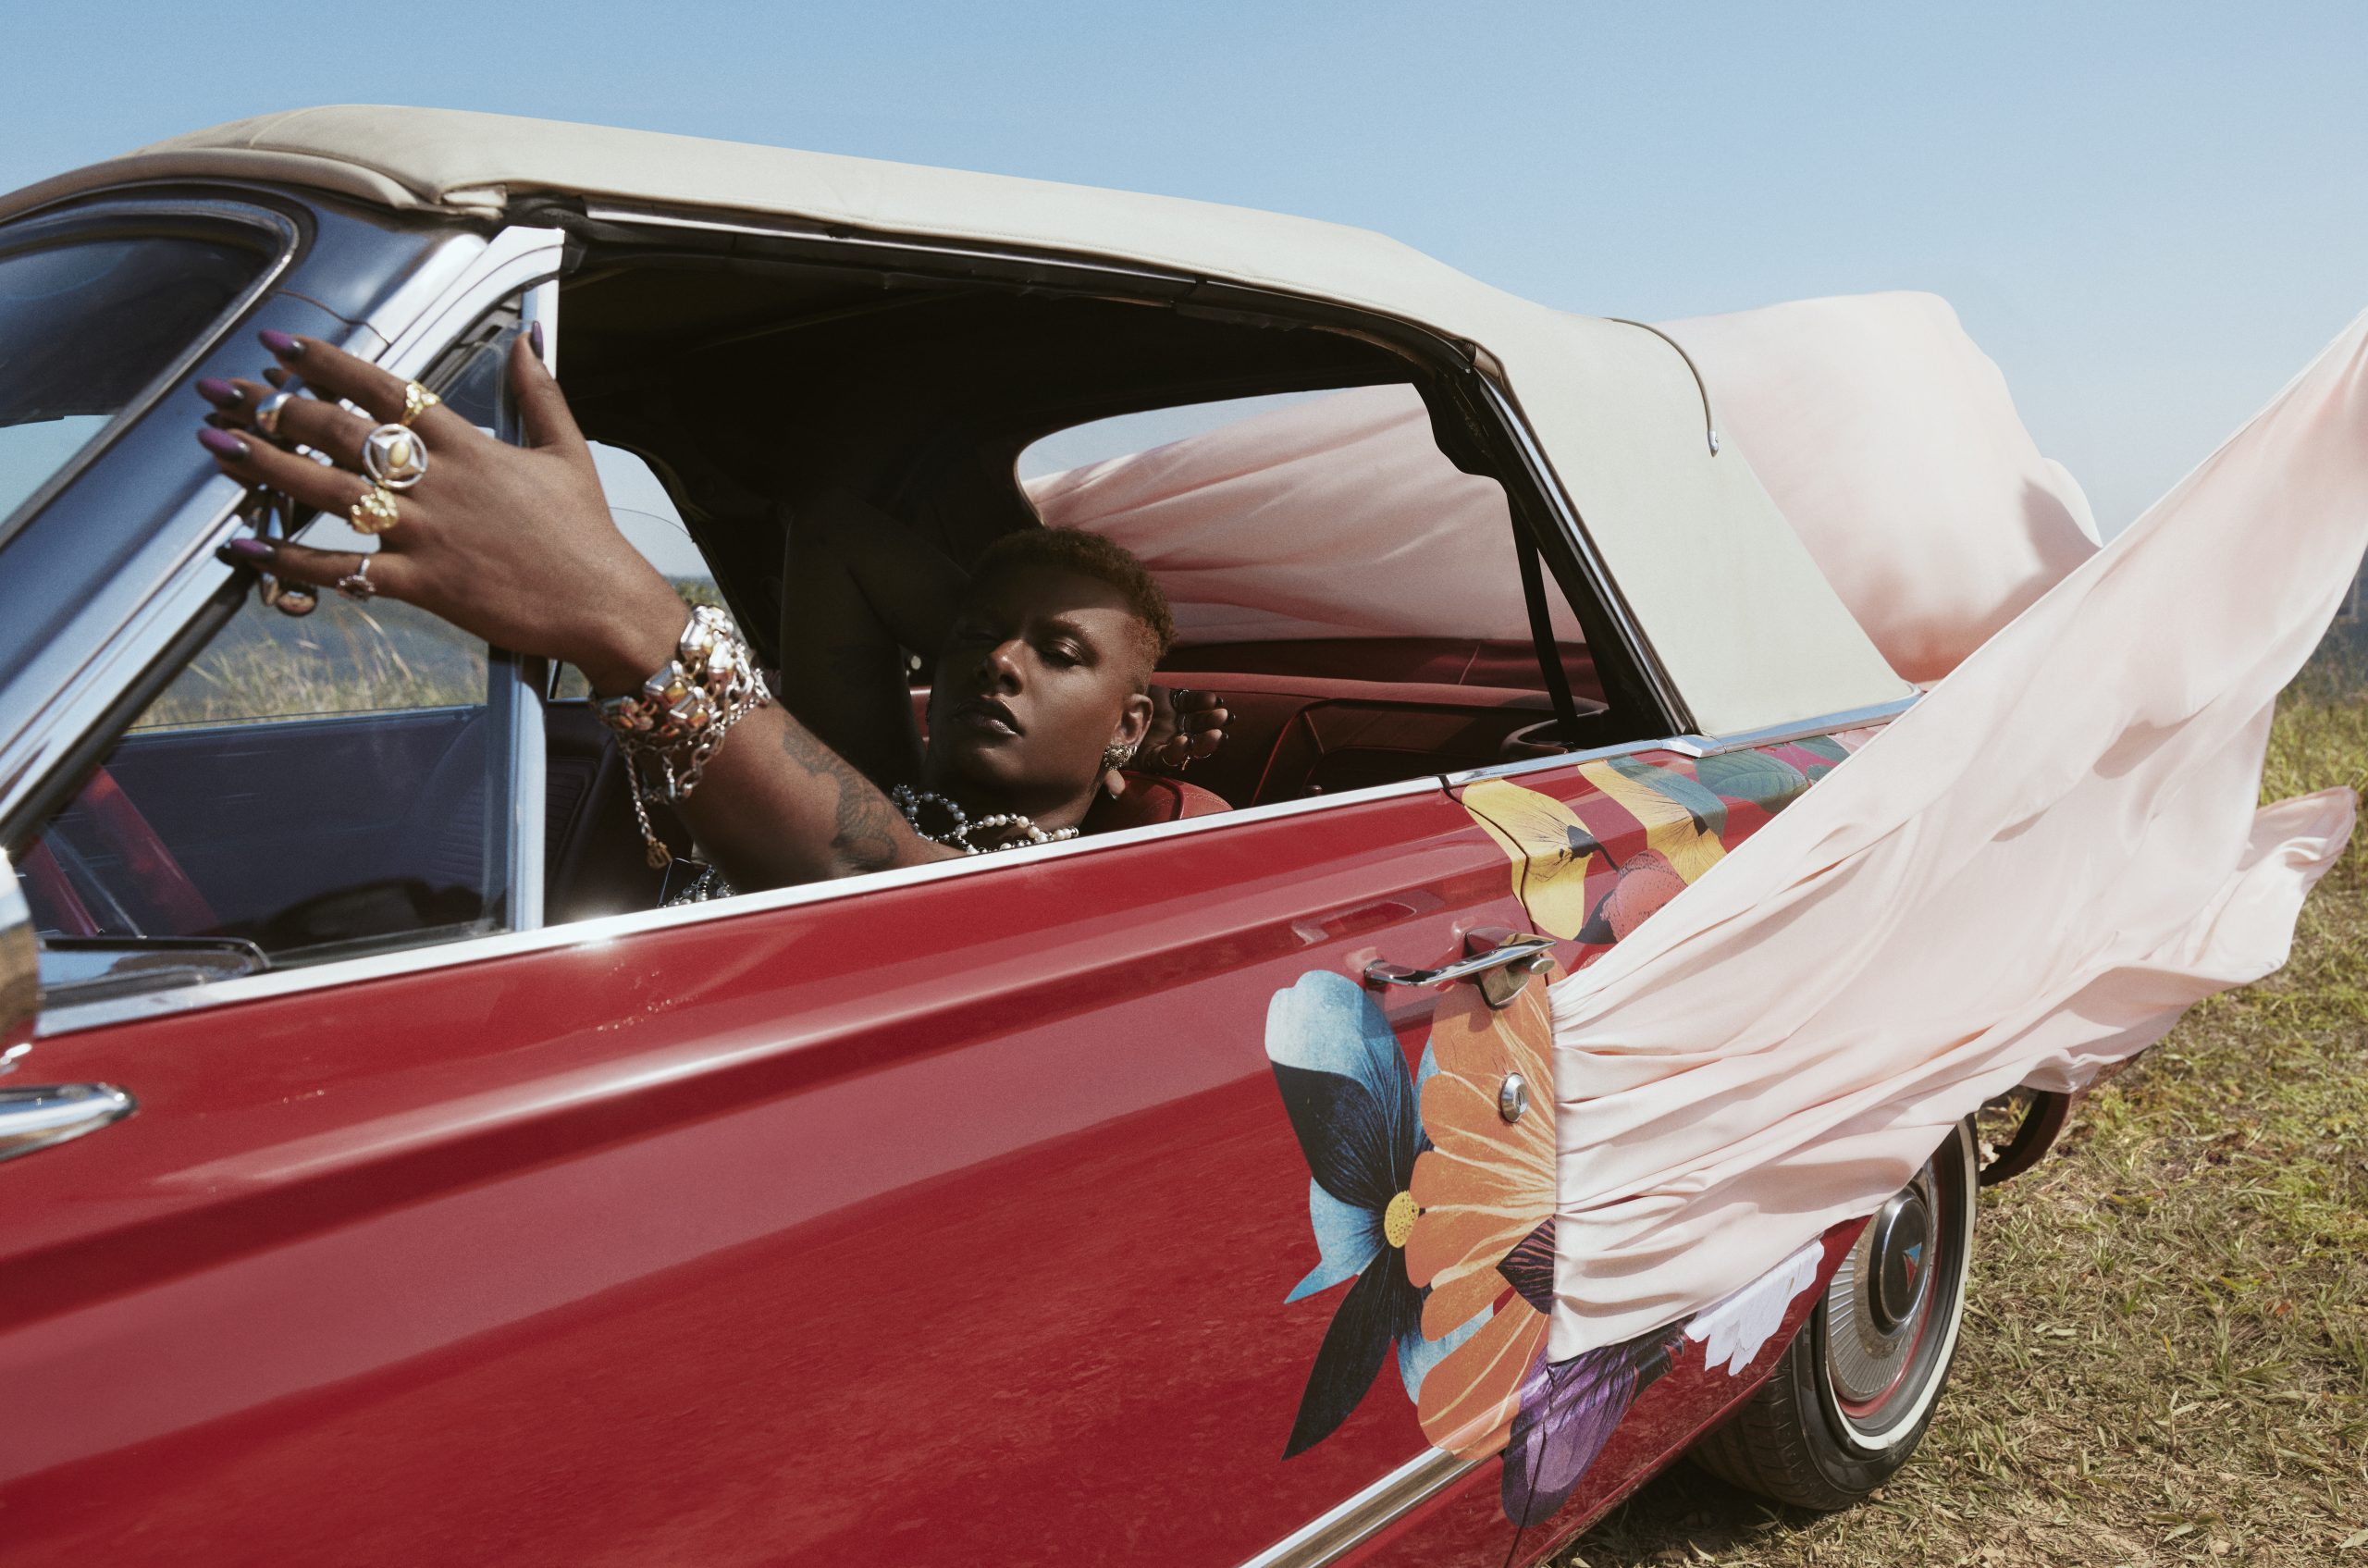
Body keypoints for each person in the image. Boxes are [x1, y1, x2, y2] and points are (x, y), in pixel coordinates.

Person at [192, 330, 1226, 893]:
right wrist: (1025, 650)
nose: (1002, 663)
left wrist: (609, 603)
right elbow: (830, 531)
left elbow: (865, 867)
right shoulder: (875, 771)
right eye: (977, 638)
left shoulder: (1087, 885)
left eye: (1059, 653)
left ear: (1133, 722)